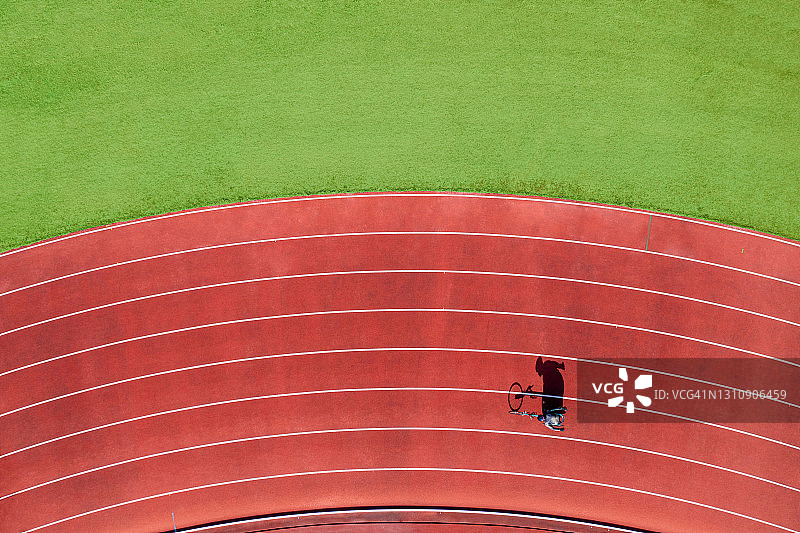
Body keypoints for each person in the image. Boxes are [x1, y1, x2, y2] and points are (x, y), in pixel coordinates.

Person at [535, 356, 567, 431]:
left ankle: (560, 366)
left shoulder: (546, 415)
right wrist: (559, 429)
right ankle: (559, 366)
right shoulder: (547, 420)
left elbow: (552, 427)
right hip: (556, 406)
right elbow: (552, 428)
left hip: (554, 405)